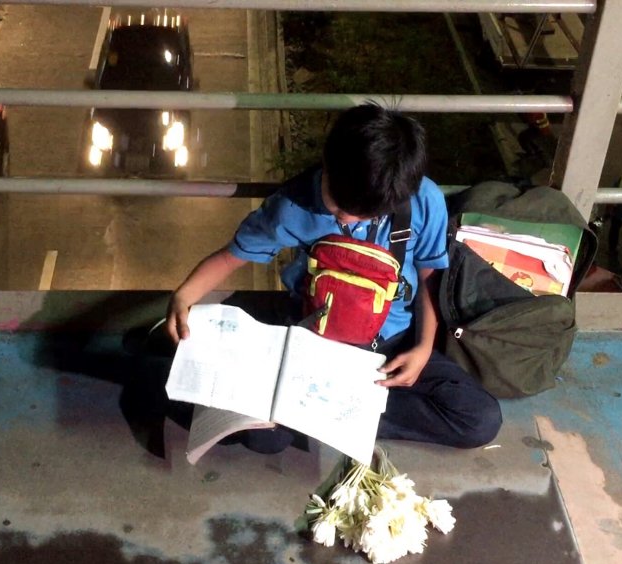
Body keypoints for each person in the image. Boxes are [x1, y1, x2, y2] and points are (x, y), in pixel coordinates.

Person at [165, 103, 502, 454]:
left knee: (479, 418)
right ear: (326, 161)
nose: (347, 219)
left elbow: (430, 278)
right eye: (337, 206)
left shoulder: (424, 201)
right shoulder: (293, 206)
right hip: (313, 342)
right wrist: (185, 294)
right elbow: (228, 258)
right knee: (265, 439)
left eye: (363, 214)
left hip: (391, 344)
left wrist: (422, 349)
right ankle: (326, 416)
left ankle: (322, 418)